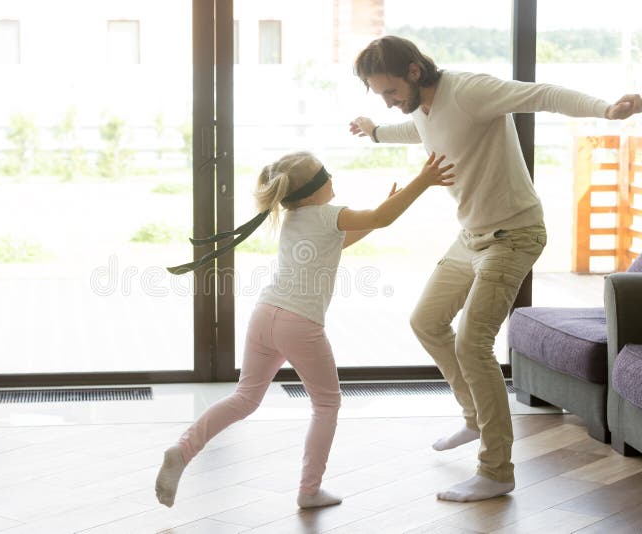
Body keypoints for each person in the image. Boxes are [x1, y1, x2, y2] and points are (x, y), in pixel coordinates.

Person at [349, 35, 642, 503]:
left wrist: (606, 108)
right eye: (379, 96)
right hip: (470, 238)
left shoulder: (469, 91)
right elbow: (424, 133)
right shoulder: (420, 109)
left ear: (413, 72)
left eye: (388, 92)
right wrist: (376, 130)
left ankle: (496, 470)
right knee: (426, 320)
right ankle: (474, 416)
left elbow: (540, 93)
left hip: (514, 234)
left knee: (472, 342)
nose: (387, 101)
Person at [157, 150, 454, 508]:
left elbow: (351, 234)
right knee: (327, 403)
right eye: (327, 174)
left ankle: (183, 449)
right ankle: (308, 490)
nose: (333, 179)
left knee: (244, 398)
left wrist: (382, 211)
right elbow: (380, 218)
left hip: (265, 315)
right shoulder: (329, 215)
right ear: (315, 189)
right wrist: (422, 181)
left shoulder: (294, 218)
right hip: (300, 323)